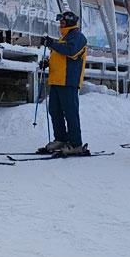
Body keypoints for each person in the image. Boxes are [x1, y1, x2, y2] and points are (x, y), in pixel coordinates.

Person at [38, 11, 89, 155]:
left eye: (62, 22)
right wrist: (47, 62)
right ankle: (61, 138)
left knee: (70, 113)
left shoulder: (79, 37)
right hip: (56, 80)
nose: (60, 25)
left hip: (69, 81)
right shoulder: (63, 38)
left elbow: (71, 52)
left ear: (69, 23)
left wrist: (52, 44)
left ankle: (76, 143)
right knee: (54, 111)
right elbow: (61, 57)